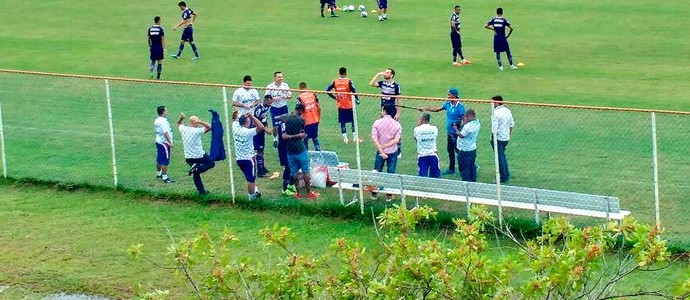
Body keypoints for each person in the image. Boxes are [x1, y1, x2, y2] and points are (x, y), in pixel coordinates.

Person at [420, 88, 465, 175]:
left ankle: (470, 165)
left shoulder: (460, 107)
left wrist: (461, 131)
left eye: (449, 95)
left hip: (456, 133)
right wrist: (426, 109)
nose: (448, 96)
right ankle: (452, 168)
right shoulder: (448, 104)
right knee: (450, 150)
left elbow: (464, 120)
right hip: (449, 132)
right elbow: (437, 109)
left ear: (454, 95)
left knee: (458, 151)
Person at [281, 104, 320, 199]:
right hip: (300, 149)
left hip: (290, 151)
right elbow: (302, 134)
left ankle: (298, 193)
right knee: (305, 171)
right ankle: (309, 193)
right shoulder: (301, 120)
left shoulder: (285, 119)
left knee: (294, 173)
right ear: (301, 111)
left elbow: (284, 136)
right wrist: (298, 135)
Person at [232, 110, 266, 200]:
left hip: (239, 159)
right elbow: (261, 127)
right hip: (249, 159)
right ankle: (251, 197)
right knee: (251, 179)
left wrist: (237, 112)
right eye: (249, 121)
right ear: (247, 122)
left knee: (249, 177)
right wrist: (252, 117)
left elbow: (234, 118)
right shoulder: (248, 132)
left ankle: (255, 191)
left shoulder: (235, 127)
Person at [371, 104, 402, 201]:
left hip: (381, 152)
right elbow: (396, 140)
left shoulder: (377, 123)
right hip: (393, 151)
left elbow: (374, 139)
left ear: (384, 111)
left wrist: (381, 149)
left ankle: (374, 193)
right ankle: (389, 195)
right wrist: (387, 146)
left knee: (377, 171)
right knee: (391, 172)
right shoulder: (397, 125)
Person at [177, 113, 214, 195]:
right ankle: (197, 168)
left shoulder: (183, 129)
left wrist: (181, 118)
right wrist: (201, 122)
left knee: (196, 174)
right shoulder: (197, 131)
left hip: (188, 157)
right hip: (199, 155)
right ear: (195, 122)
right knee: (211, 163)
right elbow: (210, 127)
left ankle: (202, 192)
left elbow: (179, 124)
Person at [370, 68, 402, 157]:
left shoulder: (396, 86)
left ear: (391, 75)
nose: (385, 73)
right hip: (383, 110)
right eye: (385, 72)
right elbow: (372, 84)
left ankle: (398, 149)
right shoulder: (382, 84)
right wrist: (378, 74)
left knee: (395, 129)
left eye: (387, 72)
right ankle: (382, 147)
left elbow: (399, 99)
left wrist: (398, 113)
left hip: (392, 110)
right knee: (383, 128)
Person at [326, 67, 361, 144]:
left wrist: (335, 97)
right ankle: (355, 137)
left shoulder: (335, 82)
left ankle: (345, 139)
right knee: (353, 121)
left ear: (339, 73)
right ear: (345, 73)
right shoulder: (348, 81)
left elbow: (327, 90)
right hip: (349, 105)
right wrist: (357, 99)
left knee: (343, 122)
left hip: (340, 105)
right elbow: (354, 91)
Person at [490, 95, 515, 183]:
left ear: (497, 102)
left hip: (498, 138)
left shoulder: (495, 113)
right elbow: (511, 124)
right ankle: (506, 173)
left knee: (499, 157)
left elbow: (494, 129)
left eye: (492, 102)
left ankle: (503, 176)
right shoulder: (507, 111)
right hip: (506, 137)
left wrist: (493, 138)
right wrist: (508, 134)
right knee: (502, 156)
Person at [266, 71, 293, 148]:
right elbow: (267, 99)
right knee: (276, 126)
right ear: (275, 78)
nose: (281, 78)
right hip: (274, 108)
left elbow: (290, 96)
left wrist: (285, 97)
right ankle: (275, 139)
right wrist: (274, 99)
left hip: (283, 107)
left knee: (284, 124)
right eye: (279, 77)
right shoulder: (270, 86)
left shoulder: (285, 86)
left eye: (281, 77)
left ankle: (284, 139)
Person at [453, 109, 480, 182]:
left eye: (466, 117)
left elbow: (461, 135)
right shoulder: (477, 122)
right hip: (472, 148)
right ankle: (473, 181)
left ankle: (466, 182)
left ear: (469, 116)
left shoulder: (467, 126)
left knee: (464, 168)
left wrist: (455, 129)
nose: (465, 118)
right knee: (472, 166)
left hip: (464, 150)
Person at [274, 115, 298, 196]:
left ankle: (290, 185)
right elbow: (284, 137)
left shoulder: (287, 124)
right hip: (284, 150)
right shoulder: (284, 125)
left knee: (293, 167)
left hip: (289, 149)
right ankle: (284, 189)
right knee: (288, 168)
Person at [413, 112, 440, 178]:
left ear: (422, 119)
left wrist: (418, 125)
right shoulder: (434, 128)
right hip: (433, 154)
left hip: (422, 155)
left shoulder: (417, 129)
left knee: (422, 175)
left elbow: (416, 139)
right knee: (435, 176)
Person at [296, 82, 321, 151]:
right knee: (315, 138)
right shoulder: (313, 95)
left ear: (300, 89)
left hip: (306, 122)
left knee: (305, 139)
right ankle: (319, 153)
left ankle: (306, 155)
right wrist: (318, 118)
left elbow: (298, 111)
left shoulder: (299, 98)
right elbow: (319, 108)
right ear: (306, 87)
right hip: (315, 120)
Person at [253, 95, 273, 177]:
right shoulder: (258, 109)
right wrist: (266, 129)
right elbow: (255, 122)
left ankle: (262, 167)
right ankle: (260, 172)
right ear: (265, 100)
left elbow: (265, 119)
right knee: (259, 150)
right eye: (269, 103)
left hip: (262, 131)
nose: (270, 105)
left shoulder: (267, 107)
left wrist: (266, 127)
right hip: (257, 132)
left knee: (262, 149)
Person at [154, 106, 174, 183]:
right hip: (164, 143)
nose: (167, 111)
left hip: (158, 141)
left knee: (159, 158)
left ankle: (158, 173)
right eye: (166, 110)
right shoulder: (163, 122)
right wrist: (169, 142)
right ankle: (165, 177)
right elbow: (165, 132)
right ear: (163, 112)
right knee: (164, 160)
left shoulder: (157, 120)